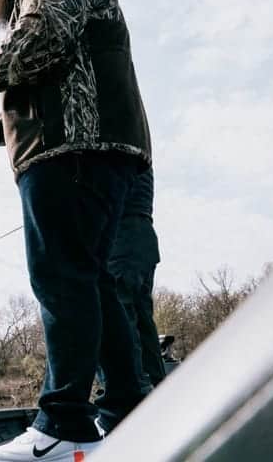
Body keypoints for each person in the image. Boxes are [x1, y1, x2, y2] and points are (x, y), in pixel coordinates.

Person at [0, 0, 153, 461]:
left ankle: (63, 424)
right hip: (93, 152)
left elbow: (42, 37)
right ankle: (129, 411)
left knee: (61, 278)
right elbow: (51, 72)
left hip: (72, 153)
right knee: (93, 283)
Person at [104, 167, 166, 393]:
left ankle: (132, 397)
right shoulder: (138, 148)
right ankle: (155, 392)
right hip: (141, 239)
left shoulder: (121, 146)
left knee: (118, 317)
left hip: (121, 238)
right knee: (141, 321)